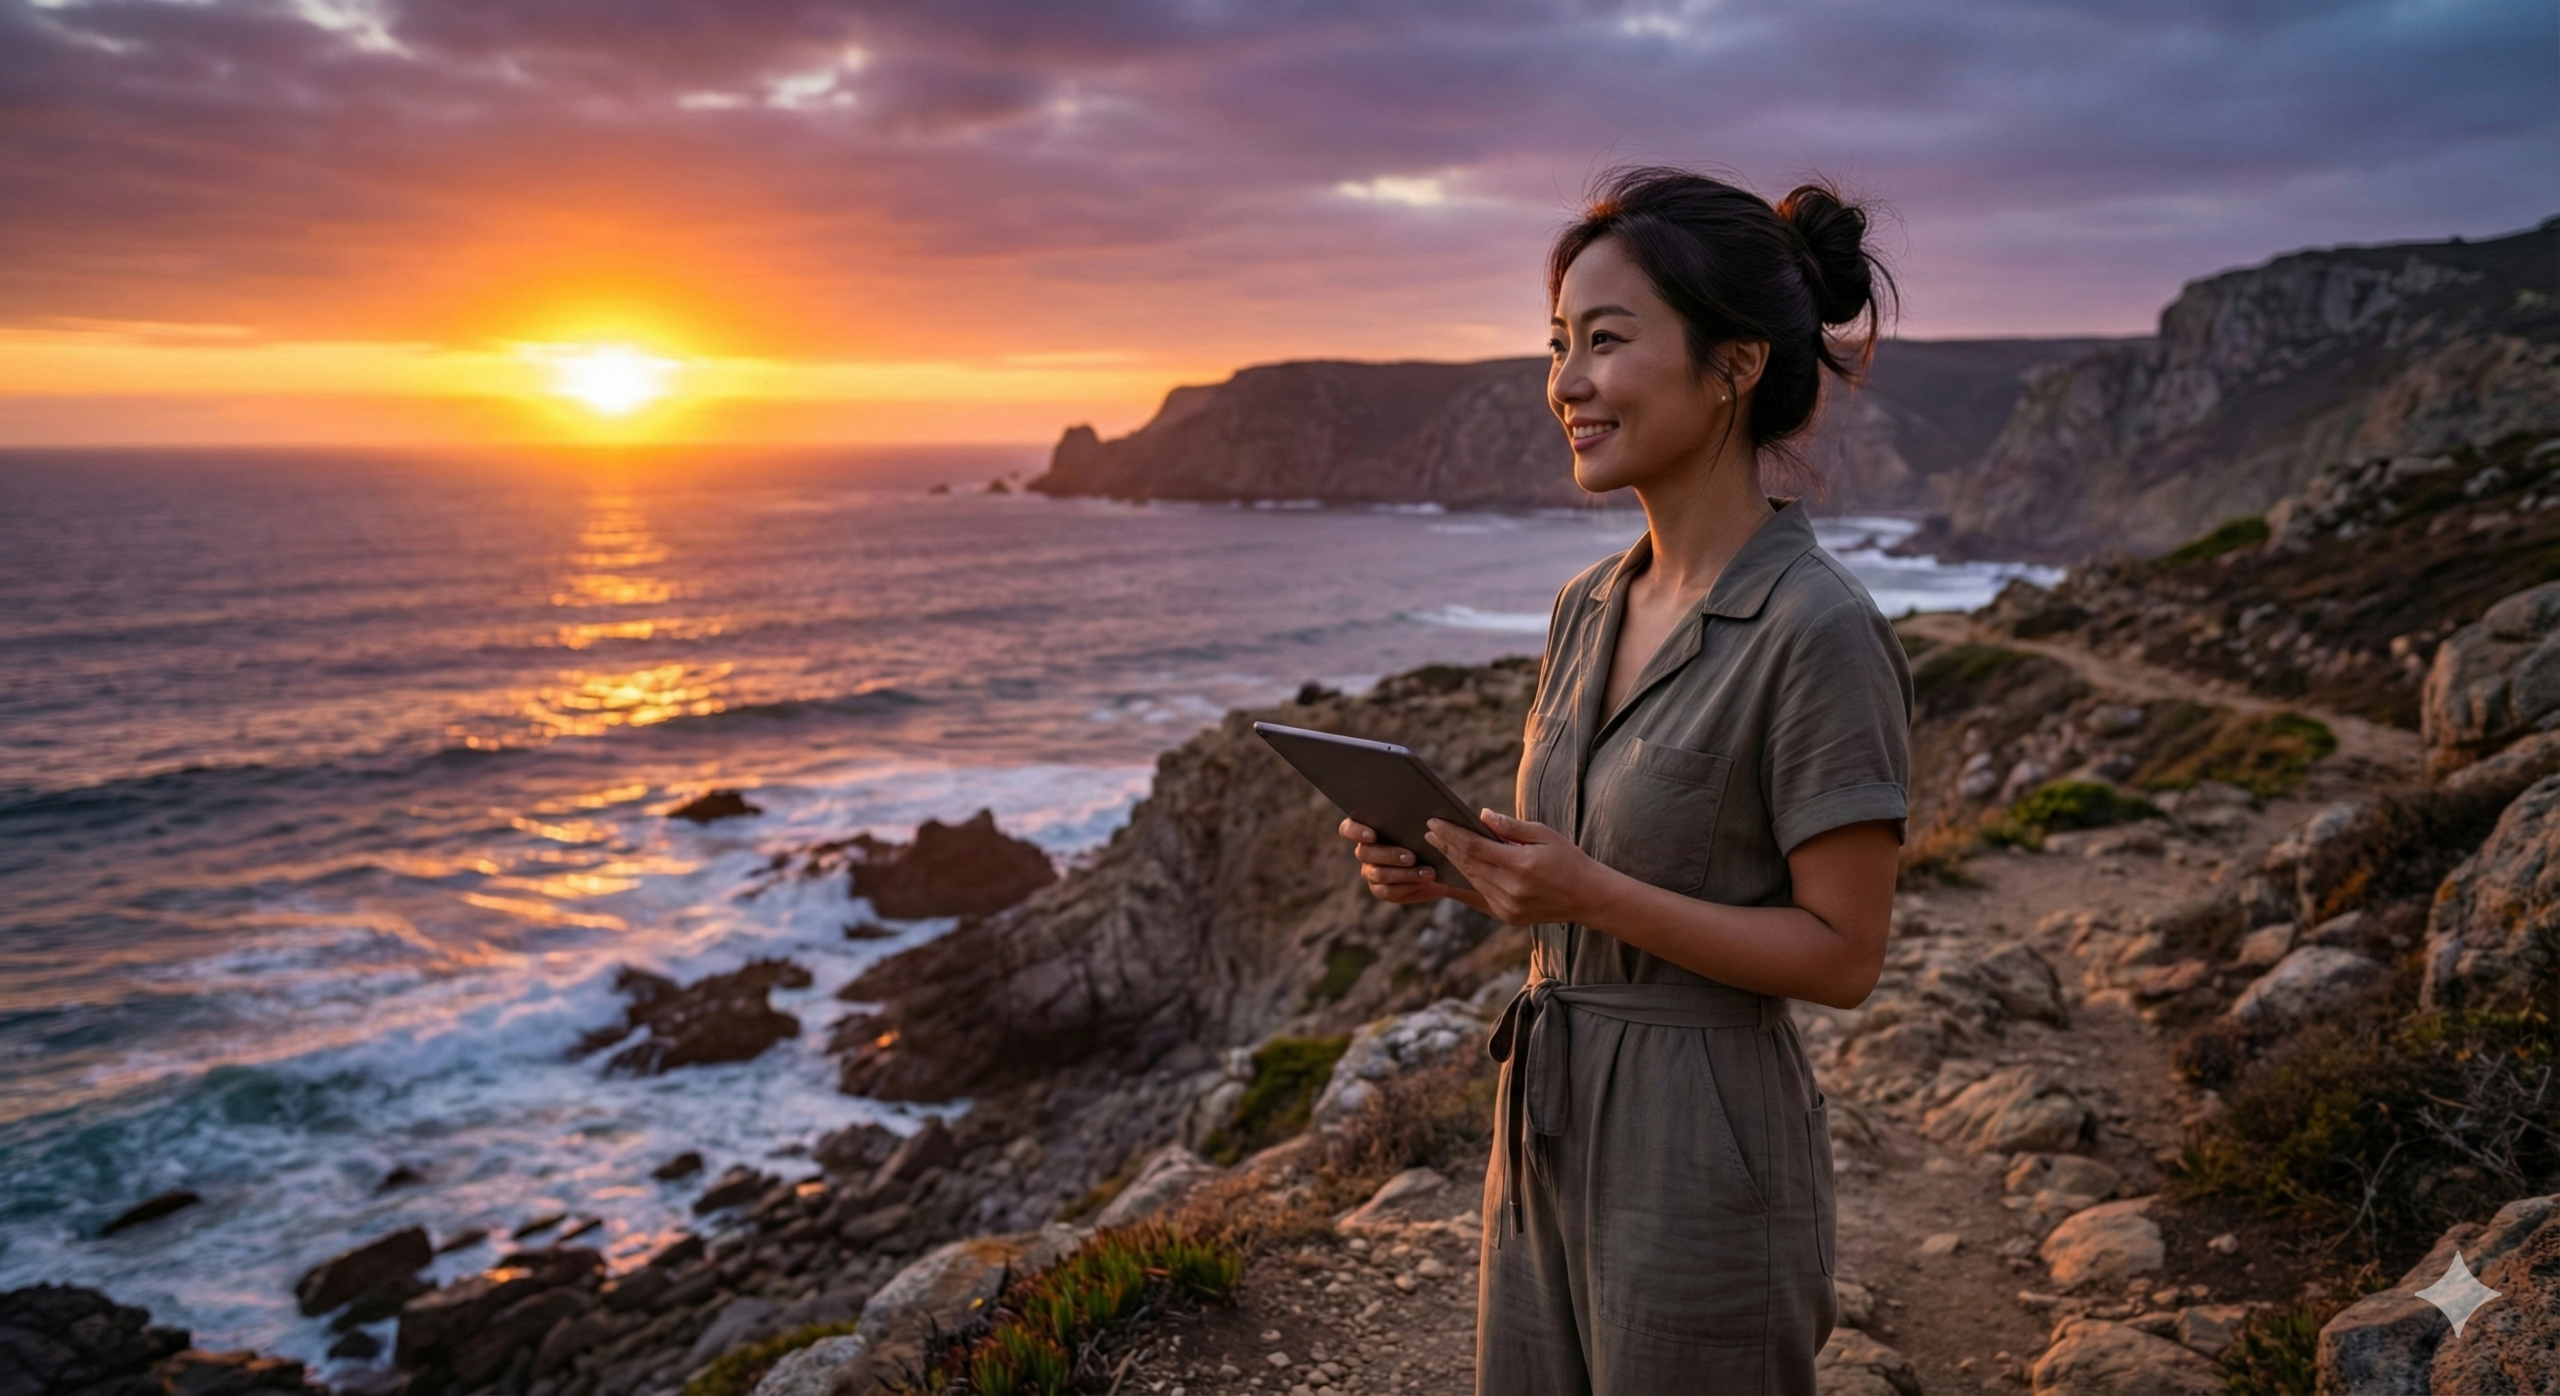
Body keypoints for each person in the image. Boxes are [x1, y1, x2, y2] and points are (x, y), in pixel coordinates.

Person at [1337, 167, 1911, 1394]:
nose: (1566, 383)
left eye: (1606, 341)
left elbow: (1843, 958)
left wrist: (1587, 895)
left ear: (1734, 365)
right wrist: (1454, 873)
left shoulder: (1817, 627)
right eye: (1557, 345)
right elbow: (1583, 865)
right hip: (1541, 1114)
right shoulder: (1586, 604)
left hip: (1703, 1140)